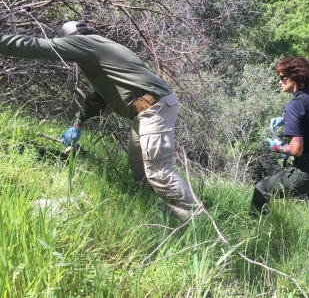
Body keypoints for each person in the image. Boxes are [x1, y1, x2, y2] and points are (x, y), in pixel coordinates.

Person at [0, 21, 199, 222]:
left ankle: (197, 222)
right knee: (138, 163)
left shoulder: (85, 44)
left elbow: (39, 46)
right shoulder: (101, 50)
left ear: (69, 39)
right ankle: (157, 211)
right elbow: (97, 96)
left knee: (158, 171)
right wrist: (78, 123)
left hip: (154, 107)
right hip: (147, 110)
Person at [250, 56, 309, 247]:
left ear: (296, 78)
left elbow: (296, 149)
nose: (280, 81)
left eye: (283, 77)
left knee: (262, 189)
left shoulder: (293, 105)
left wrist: (276, 146)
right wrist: (286, 120)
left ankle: (253, 236)